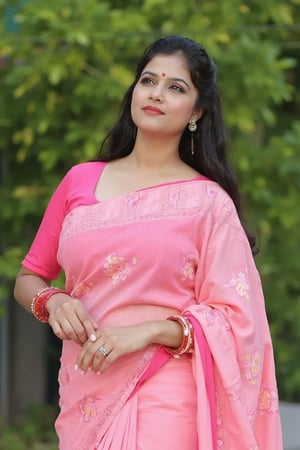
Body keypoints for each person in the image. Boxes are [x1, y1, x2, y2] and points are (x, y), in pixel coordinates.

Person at [14, 35, 283, 450]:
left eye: (176, 87)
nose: (156, 94)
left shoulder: (208, 203)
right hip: (87, 389)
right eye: (148, 81)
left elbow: (236, 319)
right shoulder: (80, 181)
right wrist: (54, 301)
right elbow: (30, 276)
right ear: (134, 91)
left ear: (196, 111)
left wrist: (148, 332)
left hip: (167, 389)